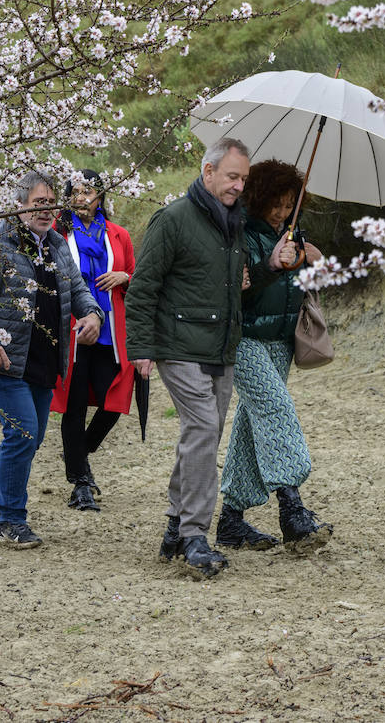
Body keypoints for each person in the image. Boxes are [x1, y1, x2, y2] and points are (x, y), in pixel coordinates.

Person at [125, 137, 296, 580]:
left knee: (204, 434)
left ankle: (173, 525)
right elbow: (143, 288)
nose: (239, 185)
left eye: (244, 178)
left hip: (222, 348)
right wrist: (140, 348)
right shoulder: (173, 220)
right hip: (178, 346)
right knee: (202, 427)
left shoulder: (235, 224)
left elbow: (237, 285)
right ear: (208, 172)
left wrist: (271, 266)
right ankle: (194, 536)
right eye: (232, 176)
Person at [0, 171, 104, 549]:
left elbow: (78, 288)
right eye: (38, 203)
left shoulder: (56, 244)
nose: (45, 211)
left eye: (51, 203)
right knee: (22, 434)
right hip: (3, 358)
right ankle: (10, 520)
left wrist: (93, 314)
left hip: (45, 359)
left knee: (29, 439)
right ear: (19, 206)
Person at [215, 160, 334, 555]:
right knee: (276, 410)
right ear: (258, 197)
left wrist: (306, 256)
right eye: (276, 204)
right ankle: (292, 509)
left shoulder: (291, 232)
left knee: (252, 426)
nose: (282, 211)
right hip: (243, 338)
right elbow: (235, 289)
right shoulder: (238, 232)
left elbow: (311, 275)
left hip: (280, 342)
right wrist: (272, 263)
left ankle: (231, 520)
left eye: (289, 204)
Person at [50, 169, 137, 512]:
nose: (82, 197)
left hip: (111, 332)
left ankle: (78, 454)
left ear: (100, 197)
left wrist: (125, 276)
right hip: (72, 329)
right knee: (72, 406)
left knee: (112, 401)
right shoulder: (57, 232)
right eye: (75, 191)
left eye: (89, 192)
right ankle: (81, 484)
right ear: (68, 195)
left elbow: (136, 278)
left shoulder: (118, 236)